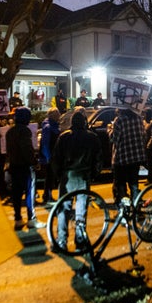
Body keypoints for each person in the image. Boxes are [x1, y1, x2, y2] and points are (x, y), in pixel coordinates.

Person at [50, 108, 102, 252]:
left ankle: (61, 241)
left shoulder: (64, 137)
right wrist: (93, 174)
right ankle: (80, 240)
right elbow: (98, 159)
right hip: (83, 177)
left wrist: (58, 175)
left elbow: (56, 159)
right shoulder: (92, 137)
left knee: (63, 210)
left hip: (67, 177)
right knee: (81, 210)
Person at [5, 107, 44, 231]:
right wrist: (34, 162)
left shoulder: (9, 132)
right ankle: (31, 218)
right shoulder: (25, 131)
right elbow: (27, 149)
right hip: (25, 167)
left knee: (16, 194)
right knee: (29, 193)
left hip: (14, 165)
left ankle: (18, 219)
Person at [108, 108, 146, 205]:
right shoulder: (138, 118)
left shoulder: (119, 120)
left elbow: (114, 139)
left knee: (121, 185)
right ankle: (136, 206)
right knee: (134, 183)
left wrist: (109, 130)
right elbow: (144, 135)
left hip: (122, 158)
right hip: (136, 157)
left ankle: (125, 207)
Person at [38, 107, 61, 204]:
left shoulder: (52, 126)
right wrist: (48, 157)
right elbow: (45, 143)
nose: (59, 116)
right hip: (50, 156)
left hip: (51, 155)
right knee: (50, 176)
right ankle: (47, 195)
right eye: (57, 114)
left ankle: (47, 195)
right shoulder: (49, 127)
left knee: (51, 176)